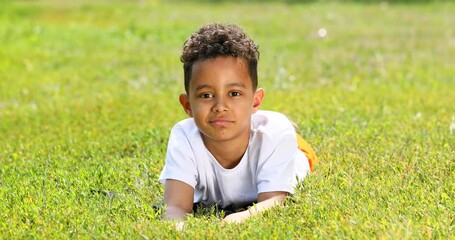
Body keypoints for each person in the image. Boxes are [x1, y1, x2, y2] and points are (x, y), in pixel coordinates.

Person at [158, 23, 318, 224]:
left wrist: (234, 220)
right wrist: (176, 228)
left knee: (283, 134)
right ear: (188, 105)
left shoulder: (275, 135)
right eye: (206, 95)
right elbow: (176, 206)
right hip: (256, 129)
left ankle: (286, 129)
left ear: (255, 101)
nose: (220, 106)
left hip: (293, 149)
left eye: (234, 94)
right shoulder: (183, 137)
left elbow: (274, 200)